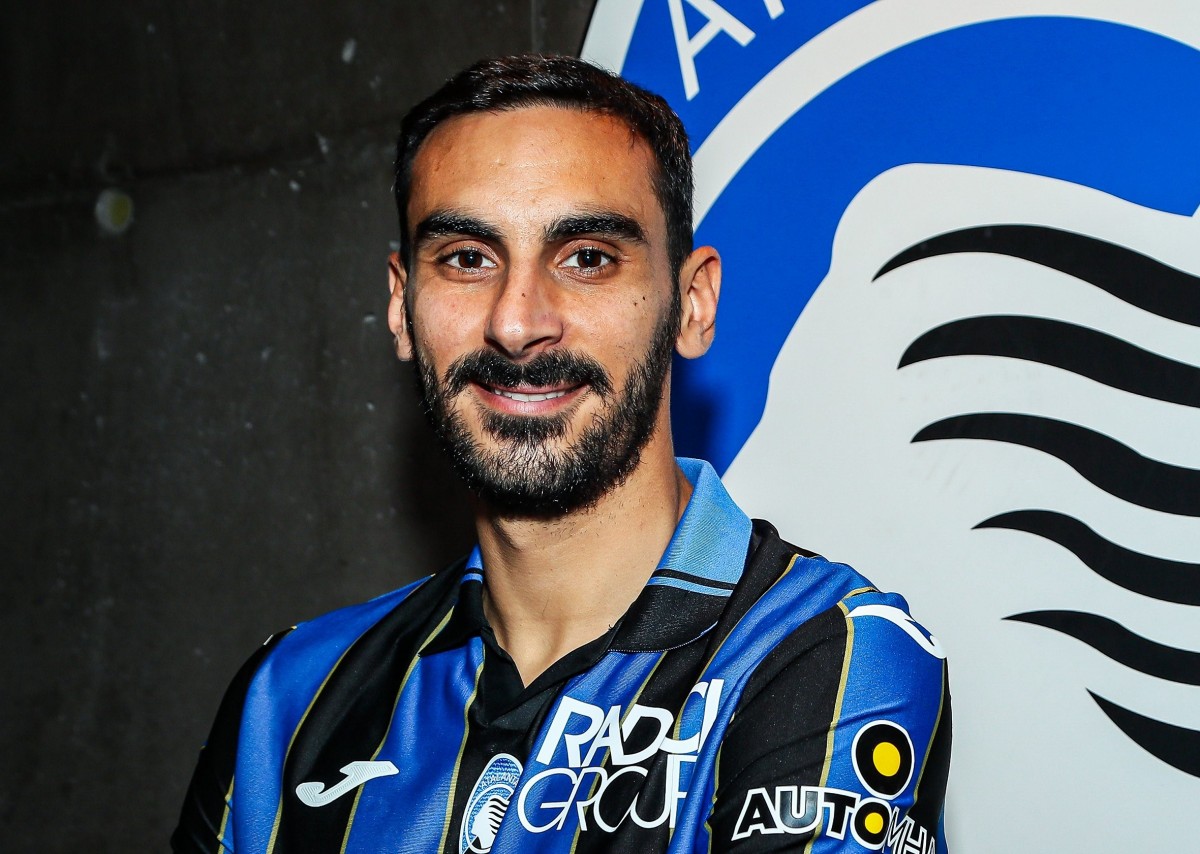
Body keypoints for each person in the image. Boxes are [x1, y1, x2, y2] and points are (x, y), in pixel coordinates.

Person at [173, 54, 950, 853]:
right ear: (402, 306)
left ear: (692, 304)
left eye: (587, 258)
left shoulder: (821, 646)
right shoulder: (289, 698)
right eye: (467, 258)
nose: (516, 323)